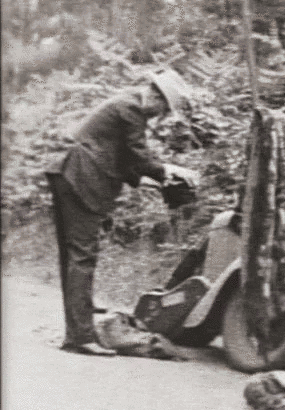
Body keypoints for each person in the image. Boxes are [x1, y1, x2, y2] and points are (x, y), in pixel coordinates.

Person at [45, 69, 200, 355]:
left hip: (70, 174)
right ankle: (80, 336)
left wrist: (151, 181)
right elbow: (138, 156)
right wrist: (171, 170)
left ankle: (79, 324)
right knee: (82, 256)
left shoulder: (126, 104)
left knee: (73, 255)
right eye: (163, 108)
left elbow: (124, 160)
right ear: (155, 95)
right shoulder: (131, 109)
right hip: (82, 177)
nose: (160, 115)